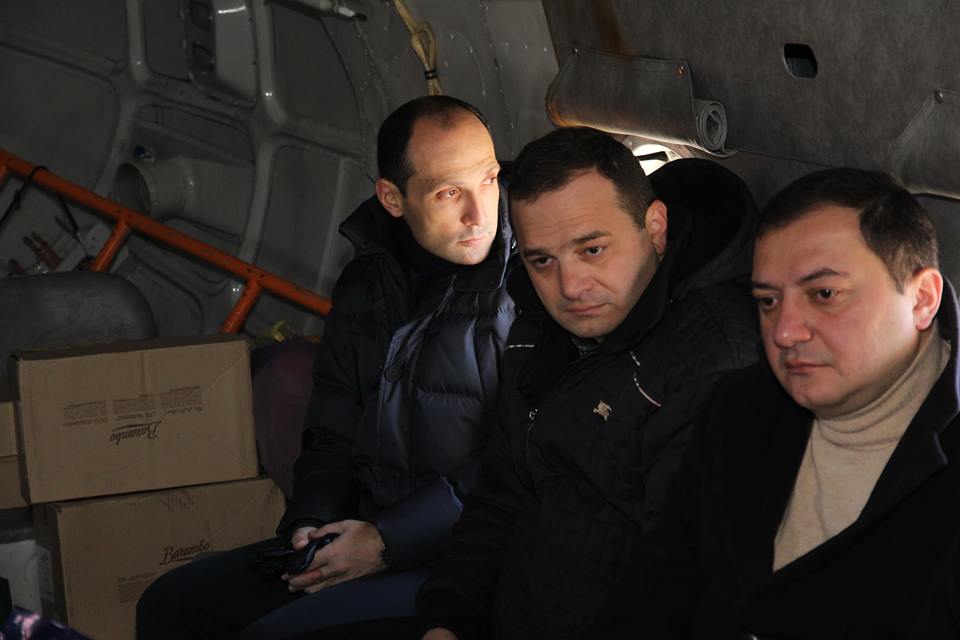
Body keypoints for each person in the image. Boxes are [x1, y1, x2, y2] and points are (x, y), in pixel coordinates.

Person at [136, 95, 515, 639]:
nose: (480, 213)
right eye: (449, 193)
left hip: (468, 558)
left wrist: (386, 542)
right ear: (392, 198)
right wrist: (311, 521)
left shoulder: (526, 286)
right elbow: (332, 429)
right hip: (370, 532)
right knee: (173, 602)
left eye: (489, 179)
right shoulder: (366, 283)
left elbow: (514, 464)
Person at [416, 127, 759, 638]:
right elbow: (501, 499)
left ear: (656, 227)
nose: (570, 287)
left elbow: (684, 582)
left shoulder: (712, 357)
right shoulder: (537, 331)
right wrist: (448, 620)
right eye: (542, 260)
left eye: (593, 249)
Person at [632, 168, 960, 638]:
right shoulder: (738, 408)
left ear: (922, 299)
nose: (784, 332)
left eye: (824, 294)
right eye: (768, 302)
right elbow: (656, 592)